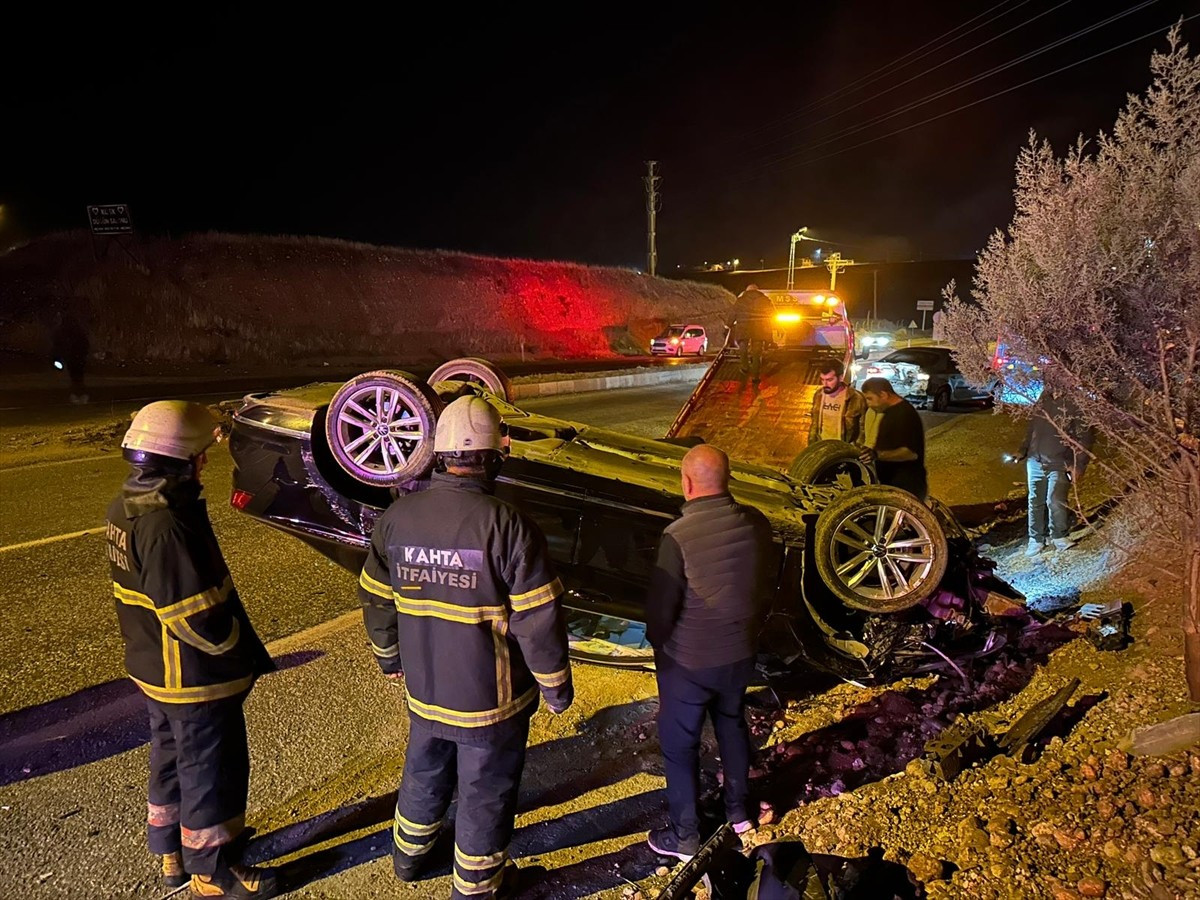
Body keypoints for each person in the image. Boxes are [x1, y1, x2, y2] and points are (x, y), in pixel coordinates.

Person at [358, 396, 573, 899]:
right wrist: (556, 688)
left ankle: (408, 859)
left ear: (440, 454)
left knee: (424, 771)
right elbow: (538, 621)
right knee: (484, 794)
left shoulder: (397, 518)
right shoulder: (508, 524)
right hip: (489, 702)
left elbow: (374, 594)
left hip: (425, 690)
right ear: (494, 456)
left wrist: (389, 656)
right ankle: (477, 888)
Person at [105, 401, 277, 899]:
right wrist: (230, 648)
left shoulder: (127, 503)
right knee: (210, 768)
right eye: (200, 455)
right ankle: (214, 871)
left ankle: (171, 854)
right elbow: (191, 614)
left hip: (153, 666)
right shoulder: (165, 522)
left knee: (170, 759)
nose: (204, 462)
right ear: (179, 457)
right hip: (192, 674)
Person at [645, 445, 774, 861]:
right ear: (728, 479)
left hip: (689, 663)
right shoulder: (756, 524)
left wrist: (658, 645)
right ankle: (739, 813)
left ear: (686, 483)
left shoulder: (677, 537)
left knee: (679, 747)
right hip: (739, 654)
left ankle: (685, 838)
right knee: (732, 725)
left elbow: (662, 612)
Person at [1016, 388, 1095, 555]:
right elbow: (1032, 427)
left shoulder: (1075, 402)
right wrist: (1023, 449)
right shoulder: (1044, 398)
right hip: (1034, 461)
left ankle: (1059, 536)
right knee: (1035, 501)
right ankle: (1036, 539)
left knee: (1055, 500)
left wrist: (1079, 464)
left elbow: (1085, 437)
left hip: (1060, 462)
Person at [858, 377, 928, 500]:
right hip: (890, 483)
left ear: (884, 395)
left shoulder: (905, 414)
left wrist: (877, 455)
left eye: (870, 399)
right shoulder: (887, 412)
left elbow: (910, 453)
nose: (868, 404)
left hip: (906, 486)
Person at [807, 360, 867, 445]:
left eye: (830, 380)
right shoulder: (819, 395)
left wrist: (857, 448)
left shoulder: (855, 398)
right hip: (821, 445)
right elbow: (814, 424)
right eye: (822, 380)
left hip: (843, 448)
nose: (825, 384)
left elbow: (863, 428)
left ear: (841, 377)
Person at [731, 284, 774, 382]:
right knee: (757, 353)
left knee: (743, 347)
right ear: (757, 291)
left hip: (743, 327)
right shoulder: (765, 300)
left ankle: (744, 366)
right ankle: (755, 376)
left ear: (747, 291)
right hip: (759, 329)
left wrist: (728, 324)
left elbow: (733, 312)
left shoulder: (740, 300)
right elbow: (772, 313)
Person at [50, 307, 90, 404]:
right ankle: (78, 394)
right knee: (77, 377)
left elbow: (58, 345)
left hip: (72, 357)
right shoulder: (76, 332)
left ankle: (77, 394)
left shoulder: (64, 332)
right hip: (76, 357)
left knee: (75, 377)